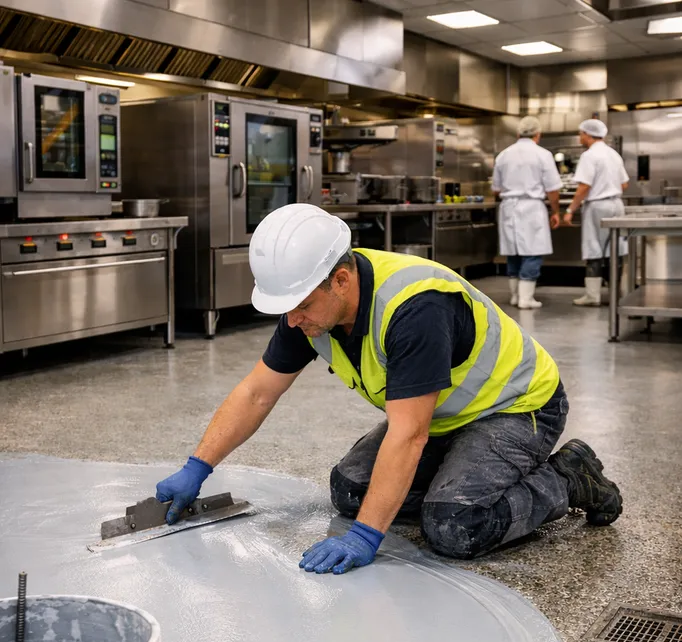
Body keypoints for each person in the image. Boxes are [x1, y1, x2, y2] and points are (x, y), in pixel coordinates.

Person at [156, 204, 622, 576]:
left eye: (298, 306)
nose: (292, 321)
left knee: (455, 526)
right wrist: (198, 467)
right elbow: (258, 392)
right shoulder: (310, 311)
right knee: (351, 491)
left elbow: (409, 433)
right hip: (444, 415)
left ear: (340, 279)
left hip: (515, 408)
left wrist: (365, 537)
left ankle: (569, 477)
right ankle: (459, 477)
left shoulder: (414, 307)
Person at [492, 115, 562, 311]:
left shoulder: (503, 155)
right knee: (533, 252)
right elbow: (553, 189)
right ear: (537, 135)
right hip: (531, 208)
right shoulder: (542, 155)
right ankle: (526, 298)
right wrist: (555, 211)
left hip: (508, 207)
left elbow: (496, 189)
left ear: (518, 134)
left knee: (513, 252)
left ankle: (515, 296)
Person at [563, 118, 629, 307]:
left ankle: (593, 296)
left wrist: (570, 210)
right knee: (615, 250)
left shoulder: (589, 156)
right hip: (616, 204)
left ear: (588, 135)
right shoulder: (613, 154)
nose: (579, 137)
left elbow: (584, 187)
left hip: (597, 206)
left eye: (581, 133)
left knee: (594, 249)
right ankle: (617, 294)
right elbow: (624, 184)